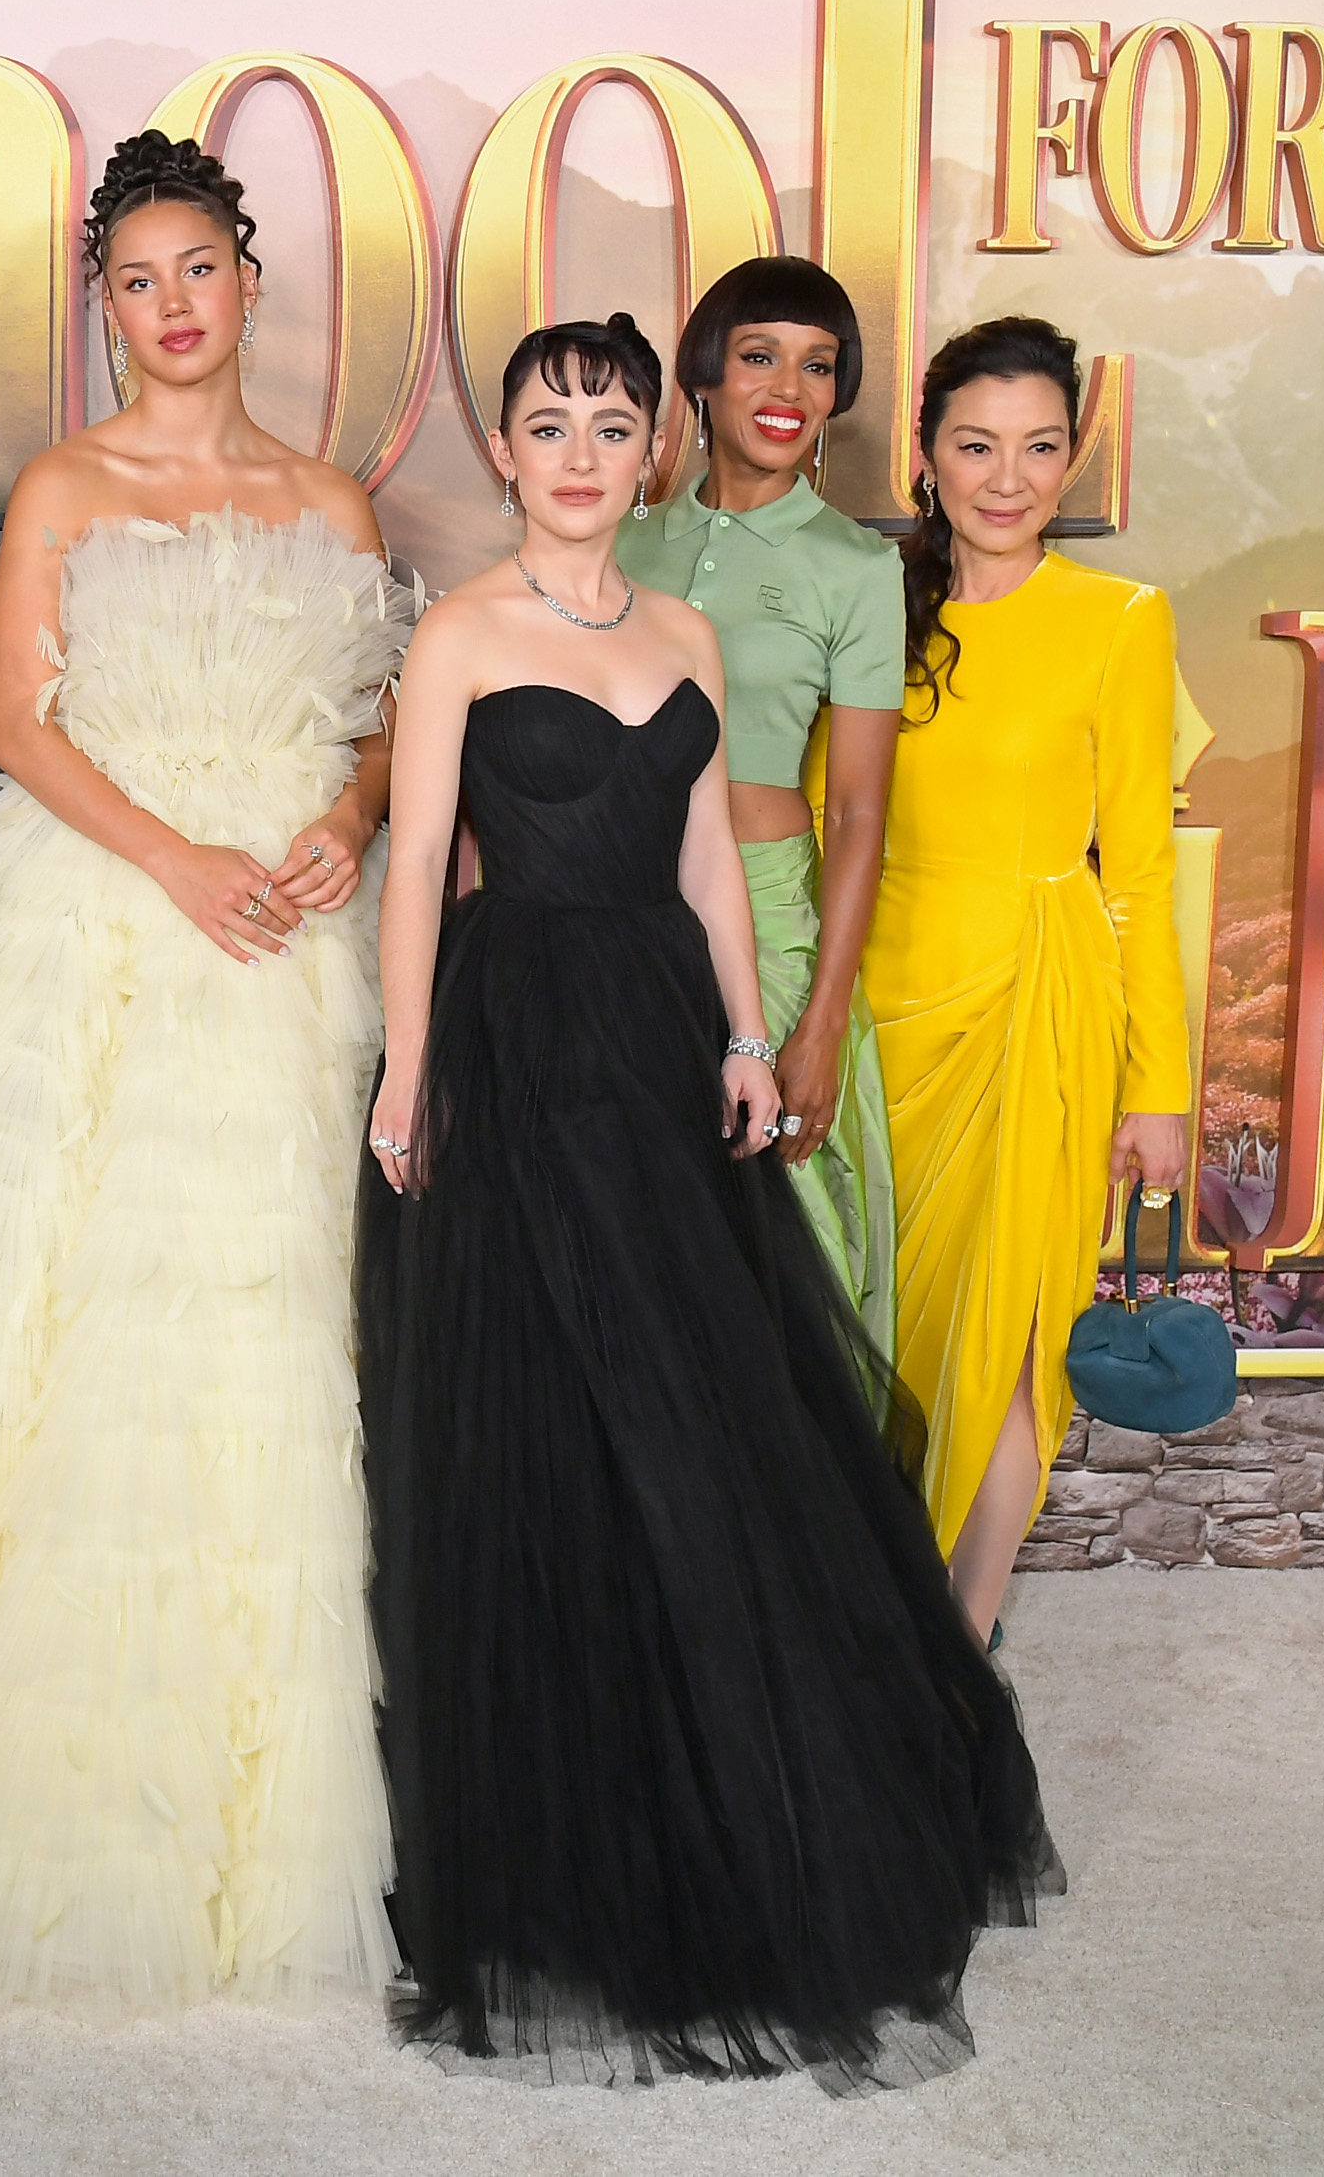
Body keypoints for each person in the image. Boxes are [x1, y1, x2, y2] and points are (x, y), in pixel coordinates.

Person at [0, 131, 406, 2012]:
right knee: (35, 1323)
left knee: (244, 1326)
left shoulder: (332, 504)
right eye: (136, 280)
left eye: (199, 270)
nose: (172, 305)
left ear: (249, 285)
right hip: (100, 913)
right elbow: (23, 728)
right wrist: (174, 856)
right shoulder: (63, 484)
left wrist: (345, 818)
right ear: (104, 307)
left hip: (278, 940)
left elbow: (373, 725)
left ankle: (242, 1801)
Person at [361, 315, 1055, 2091]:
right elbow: (420, 864)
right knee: (546, 1413)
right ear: (502, 451)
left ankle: (743, 1787)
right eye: (547, 425)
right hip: (516, 1036)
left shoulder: (682, 631)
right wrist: (407, 1065)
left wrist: (749, 1032)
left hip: (664, 1034)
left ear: (648, 451)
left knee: (703, 1402)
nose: (580, 454)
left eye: (611, 426)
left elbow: (708, 859)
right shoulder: (458, 632)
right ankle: (565, 1821)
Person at [866, 316, 1190, 1642]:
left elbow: (1142, 872)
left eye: (1038, 447)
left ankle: (957, 1651)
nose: (1006, 478)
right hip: (874, 1022)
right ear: (925, 452)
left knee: (1003, 1345)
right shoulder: (867, 601)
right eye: (976, 445)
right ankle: (862, 1633)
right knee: (875, 1344)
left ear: (1072, 459)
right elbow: (820, 831)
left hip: (1036, 1017)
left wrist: (1158, 1086)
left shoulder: (1117, 619)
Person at [615, 256, 905, 1366]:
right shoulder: (621, 540)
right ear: (702, 374)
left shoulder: (854, 567)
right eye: (759, 356)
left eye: (817, 365)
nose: (789, 388)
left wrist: (821, 1023)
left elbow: (861, 812)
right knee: (635, 1237)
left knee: (779, 1257)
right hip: (622, 915)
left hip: (773, 920)